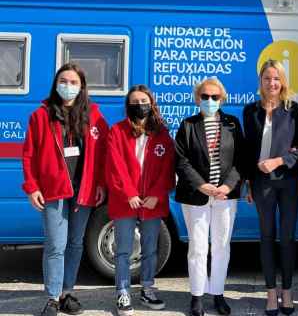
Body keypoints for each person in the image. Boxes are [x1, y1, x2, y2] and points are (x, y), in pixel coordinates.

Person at [22, 63, 108, 316]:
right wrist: (31, 187)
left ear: (81, 86)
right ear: (56, 83)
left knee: (75, 243)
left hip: (84, 189)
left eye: (73, 82)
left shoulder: (94, 116)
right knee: (55, 245)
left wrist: (101, 183)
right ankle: (52, 297)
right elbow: (28, 155)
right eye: (63, 81)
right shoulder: (41, 115)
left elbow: (102, 154)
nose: (67, 86)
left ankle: (67, 292)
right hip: (54, 189)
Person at [242, 60, 298, 315]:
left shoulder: (294, 109)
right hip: (261, 185)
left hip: (288, 182)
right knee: (267, 237)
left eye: (277, 78)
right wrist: (249, 181)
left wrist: (280, 160)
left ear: (283, 82)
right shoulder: (250, 111)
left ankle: (288, 291)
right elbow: (248, 150)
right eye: (267, 78)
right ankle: (271, 292)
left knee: (288, 238)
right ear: (260, 81)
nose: (272, 83)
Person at [175, 78, 244, 316]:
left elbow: (240, 160)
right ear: (197, 99)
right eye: (205, 97)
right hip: (196, 195)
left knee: (222, 246)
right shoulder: (187, 125)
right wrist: (201, 185)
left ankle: (217, 293)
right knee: (197, 246)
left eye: (215, 97)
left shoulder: (232, 124)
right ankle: (196, 296)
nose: (210, 101)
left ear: (222, 99)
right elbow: (181, 161)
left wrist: (228, 186)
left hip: (225, 196)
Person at [105, 85, 175, 316]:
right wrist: (129, 194)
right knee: (123, 249)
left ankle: (147, 288)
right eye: (134, 102)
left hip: (153, 202)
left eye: (143, 101)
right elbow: (115, 166)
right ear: (128, 106)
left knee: (150, 249)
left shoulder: (162, 133)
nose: (140, 106)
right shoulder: (117, 131)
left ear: (151, 103)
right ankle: (122, 292)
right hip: (125, 201)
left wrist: (156, 194)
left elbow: (167, 168)